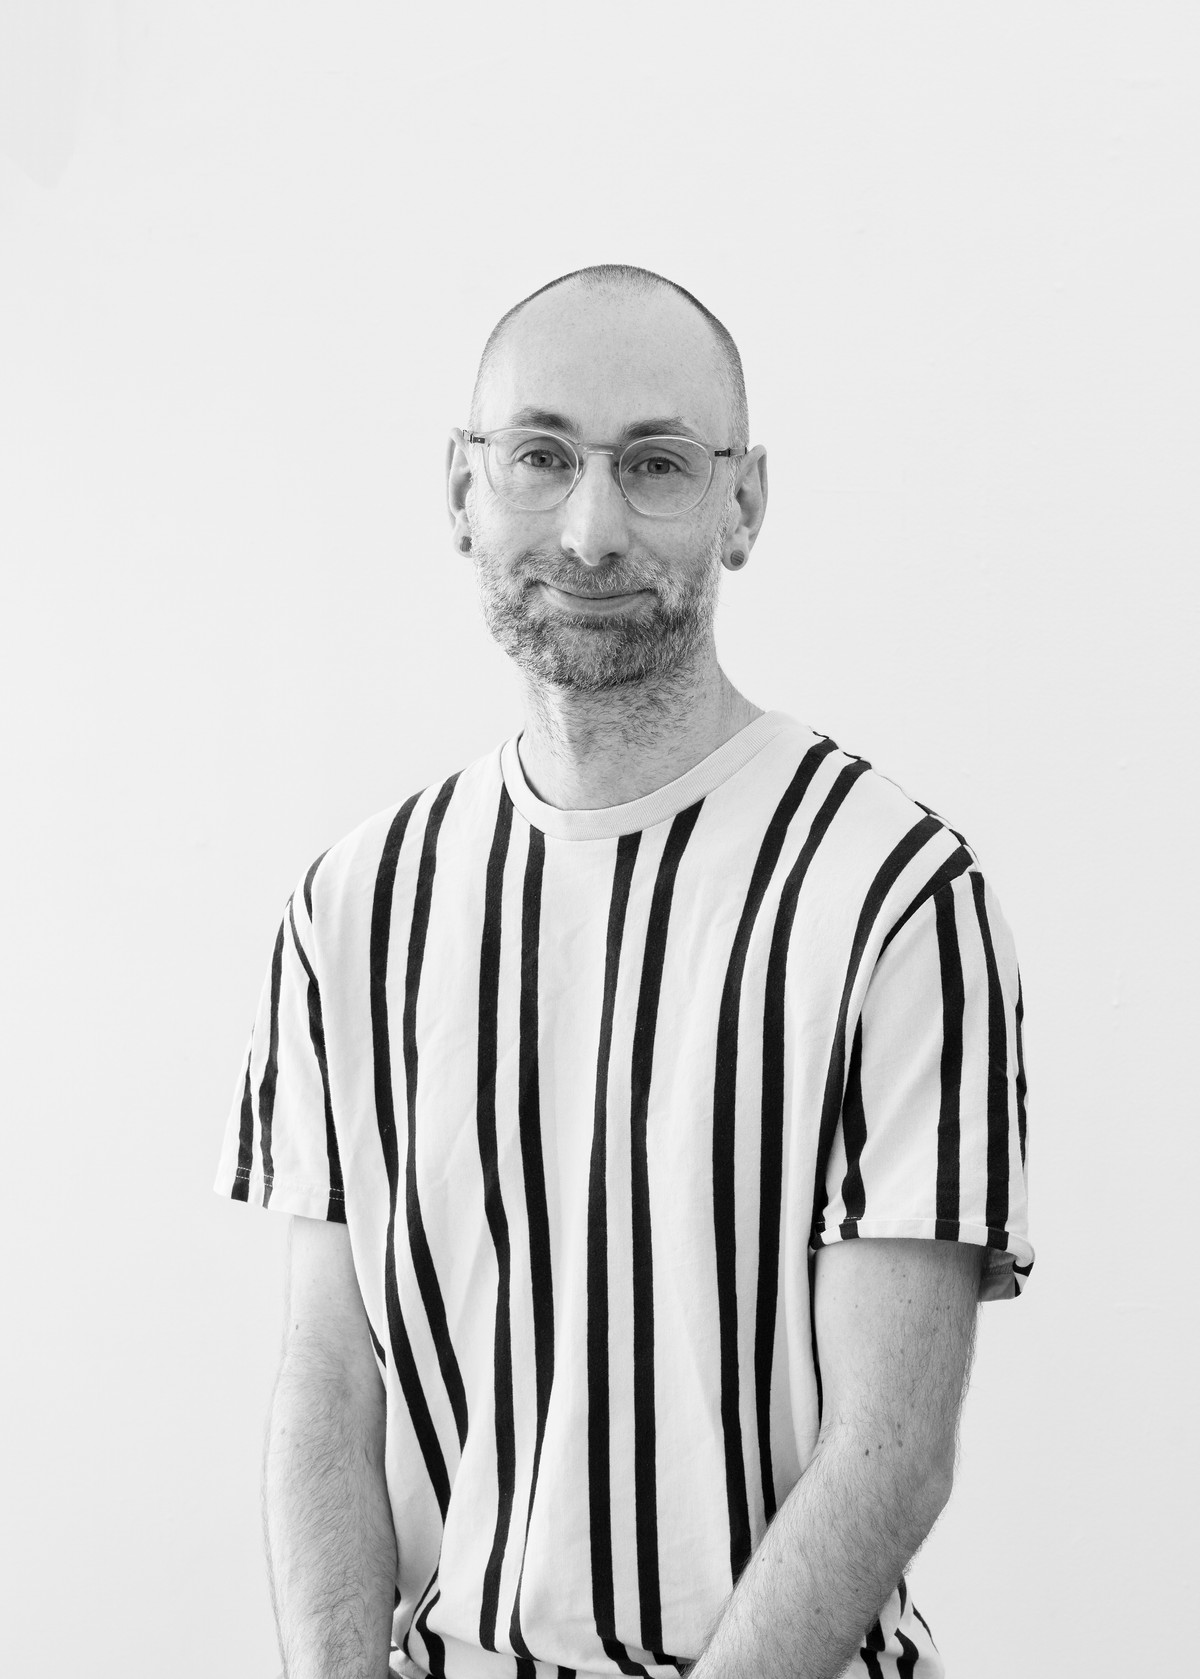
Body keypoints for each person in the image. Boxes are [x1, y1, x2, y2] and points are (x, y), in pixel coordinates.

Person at [214, 263, 1033, 1679]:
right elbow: (328, 1386)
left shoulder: (896, 896)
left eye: (655, 464)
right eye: (541, 456)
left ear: (743, 503)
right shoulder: (352, 906)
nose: (591, 531)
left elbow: (890, 1447)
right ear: (463, 489)